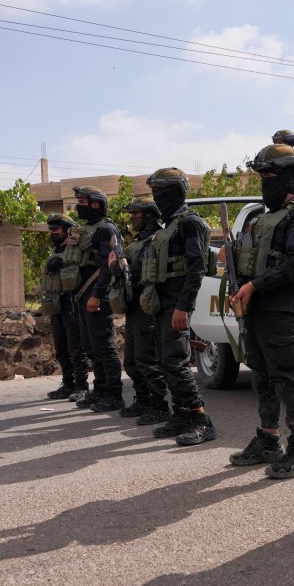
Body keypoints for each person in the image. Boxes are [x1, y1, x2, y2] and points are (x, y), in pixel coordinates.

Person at [227, 143, 294, 478]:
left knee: (287, 377)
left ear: (290, 177)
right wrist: (238, 288)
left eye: (272, 175)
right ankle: (268, 440)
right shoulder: (260, 219)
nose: (266, 181)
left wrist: (253, 287)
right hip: (254, 306)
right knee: (262, 377)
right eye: (262, 175)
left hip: (279, 306)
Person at [134, 168, 217, 445]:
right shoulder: (167, 226)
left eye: (163, 192)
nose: (158, 197)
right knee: (164, 362)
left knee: (176, 363)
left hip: (176, 304)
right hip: (161, 303)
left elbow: (196, 269)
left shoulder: (188, 223)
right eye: (155, 192)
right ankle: (181, 414)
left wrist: (184, 307)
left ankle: (200, 419)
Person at [67, 185, 125, 413]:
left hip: (96, 297)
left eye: (83, 203)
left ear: (96, 205)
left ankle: (114, 395)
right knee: (90, 347)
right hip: (83, 297)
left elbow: (108, 266)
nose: (78, 207)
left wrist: (97, 295)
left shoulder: (106, 229)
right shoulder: (87, 230)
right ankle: (100, 390)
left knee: (104, 346)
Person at [115, 197, 171, 426]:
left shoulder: (157, 241)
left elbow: (148, 271)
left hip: (148, 307)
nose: (132, 219)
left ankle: (159, 406)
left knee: (147, 360)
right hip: (134, 306)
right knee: (131, 361)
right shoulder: (137, 242)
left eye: (136, 215)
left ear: (149, 215)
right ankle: (143, 398)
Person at [40, 213, 89, 400]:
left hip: (72, 304)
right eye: (51, 229)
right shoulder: (56, 251)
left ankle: (82, 386)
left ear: (67, 230)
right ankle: (68, 384)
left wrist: (63, 261)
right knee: (61, 348)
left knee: (76, 348)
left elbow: (83, 270)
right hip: (56, 305)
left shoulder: (75, 250)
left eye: (56, 229)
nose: (52, 233)